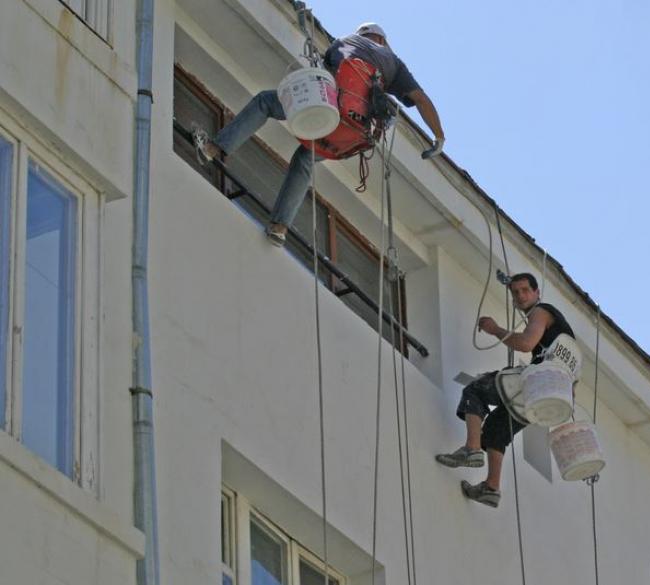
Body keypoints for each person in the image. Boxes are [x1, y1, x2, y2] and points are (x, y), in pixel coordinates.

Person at [196, 22, 445, 246]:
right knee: (306, 157)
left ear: (364, 35)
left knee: (265, 102)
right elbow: (421, 100)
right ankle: (279, 227)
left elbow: (324, 76)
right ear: (382, 40)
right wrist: (438, 137)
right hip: (357, 132)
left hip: (331, 108)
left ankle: (214, 149)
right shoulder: (394, 63)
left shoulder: (345, 42)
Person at [435, 273, 575, 508]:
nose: (520, 296)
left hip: (537, 384)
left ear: (536, 292)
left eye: (524, 290)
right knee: (495, 431)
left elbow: (526, 343)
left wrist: (495, 329)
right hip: (542, 396)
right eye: (515, 292)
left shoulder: (541, 312)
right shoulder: (565, 338)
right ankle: (491, 487)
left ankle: (471, 449)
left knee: (476, 390)